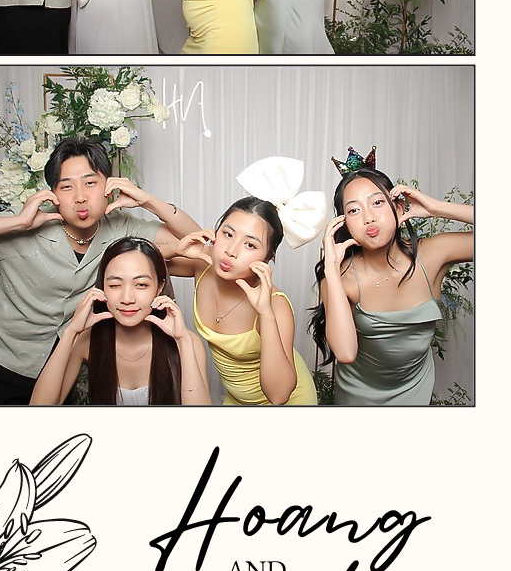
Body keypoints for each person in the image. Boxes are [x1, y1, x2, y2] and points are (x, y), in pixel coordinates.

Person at [0, 136, 207, 406]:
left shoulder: (121, 227)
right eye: (66, 186)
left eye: (90, 183)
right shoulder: (27, 223)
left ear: (109, 186)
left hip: (57, 366)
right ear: (53, 193)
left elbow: (201, 247)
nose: (80, 197)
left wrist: (147, 200)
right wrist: (17, 223)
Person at [309, 157, 474, 406]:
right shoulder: (341, 278)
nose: (368, 217)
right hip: (358, 396)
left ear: (397, 208)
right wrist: (330, 270)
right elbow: (345, 353)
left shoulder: (432, 255)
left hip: (415, 391)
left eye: (377, 202)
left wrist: (436, 207)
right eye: (354, 210)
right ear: (344, 223)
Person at [165, 201, 317, 405]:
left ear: (267, 257)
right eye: (228, 234)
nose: (231, 251)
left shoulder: (275, 305)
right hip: (236, 400)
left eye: (250, 245)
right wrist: (174, 249)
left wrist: (265, 314)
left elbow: (279, 396)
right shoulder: (204, 264)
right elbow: (141, 267)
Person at [30, 237, 211, 406]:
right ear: (102, 288)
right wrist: (71, 332)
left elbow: (202, 422)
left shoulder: (188, 342)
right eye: (115, 285)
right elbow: (39, 409)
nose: (127, 299)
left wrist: (182, 341)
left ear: (159, 287)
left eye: (141, 285)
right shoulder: (86, 339)